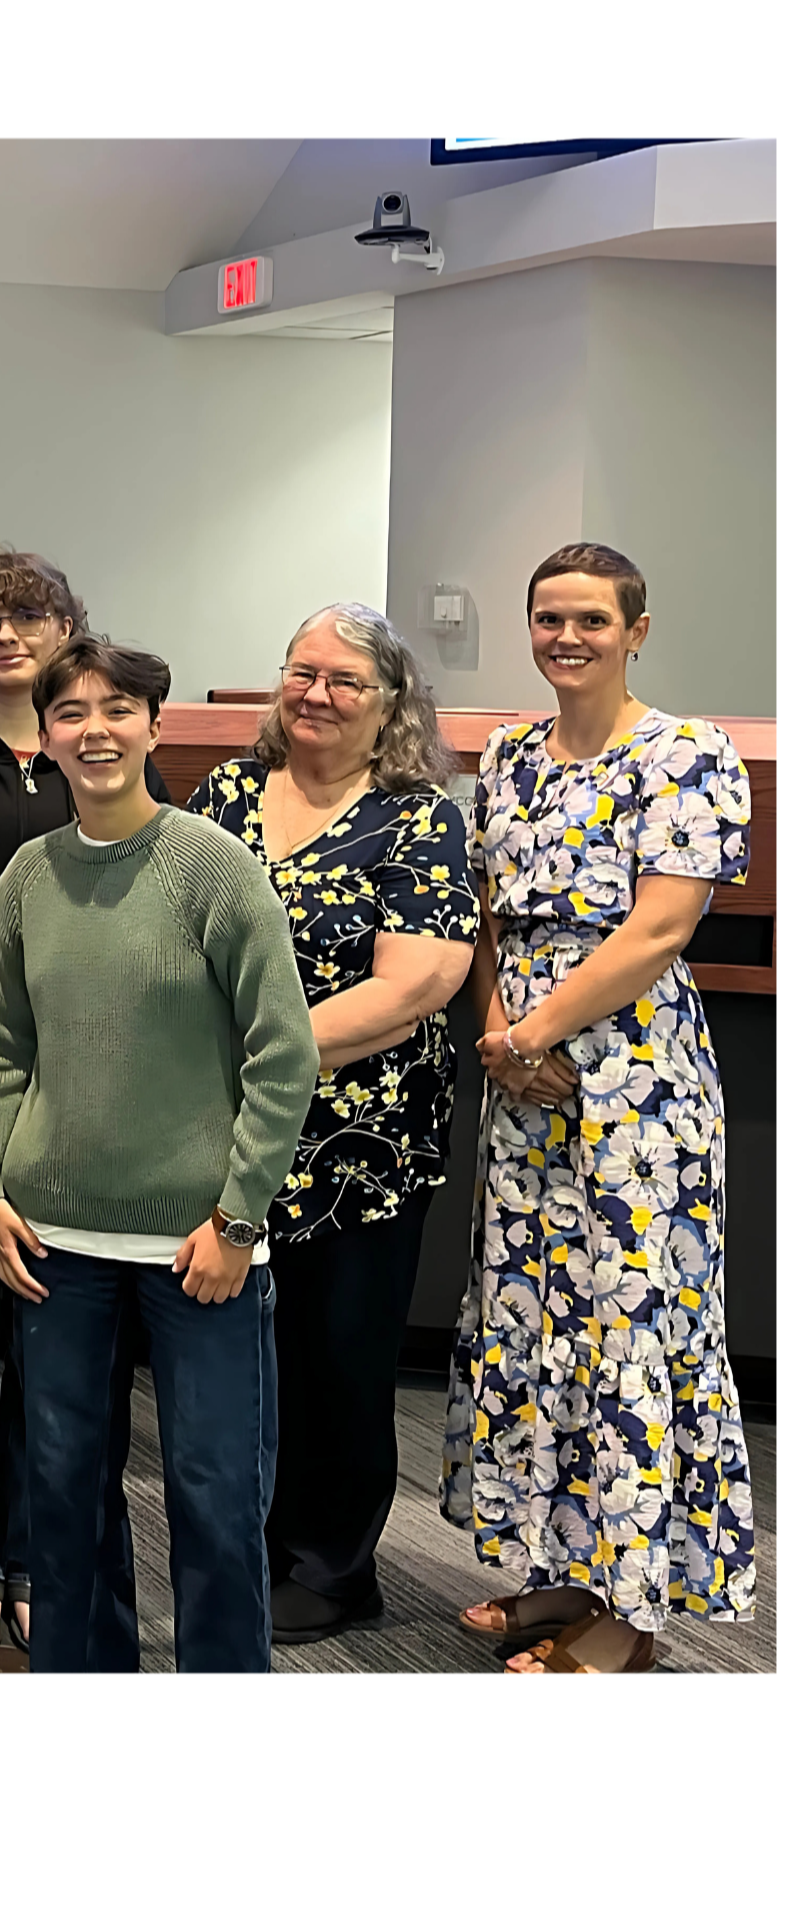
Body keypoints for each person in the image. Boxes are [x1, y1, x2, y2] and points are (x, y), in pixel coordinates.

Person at [0, 638, 315, 1675]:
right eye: (70, 712)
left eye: (118, 709)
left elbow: (283, 1053)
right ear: (47, 736)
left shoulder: (211, 864)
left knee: (214, 1500)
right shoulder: (30, 873)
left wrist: (239, 1220)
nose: (95, 730)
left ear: (155, 727)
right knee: (65, 1496)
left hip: (198, 1246)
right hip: (55, 1244)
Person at [445, 544, 756, 1675]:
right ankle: (566, 1571)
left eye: (589, 619)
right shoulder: (511, 751)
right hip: (521, 1076)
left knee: (634, 1326)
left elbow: (661, 929)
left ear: (637, 629)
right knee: (539, 1323)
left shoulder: (687, 754)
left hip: (635, 1085)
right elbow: (483, 915)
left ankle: (633, 1614)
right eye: (546, 618)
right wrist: (498, 1034)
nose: (565, 637)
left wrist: (531, 1034)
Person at [0, 546, 168, 1653]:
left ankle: (46, 1548)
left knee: (59, 1339)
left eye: (30, 616)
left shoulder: (92, 747)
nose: (6, 635)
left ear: (68, 628)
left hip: (86, 1096)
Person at [189, 604, 476, 1646]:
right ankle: (246, 1547)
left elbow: (416, 984)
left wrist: (264, 1053)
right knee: (236, 1359)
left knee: (337, 1359)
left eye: (343, 680)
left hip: (362, 1140)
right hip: (227, 1131)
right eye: (301, 672)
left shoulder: (419, 816)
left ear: (391, 701)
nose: (315, 694)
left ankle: (334, 1570)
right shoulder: (227, 794)